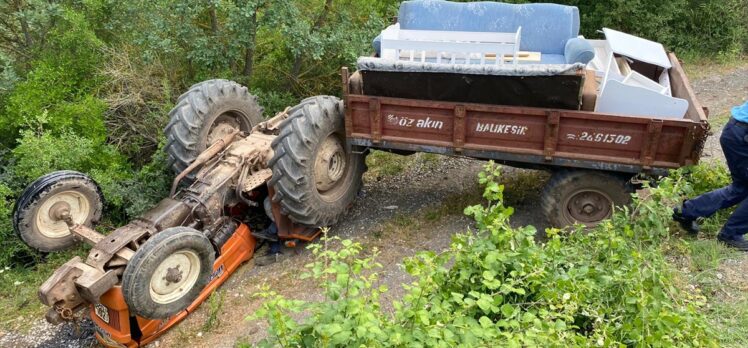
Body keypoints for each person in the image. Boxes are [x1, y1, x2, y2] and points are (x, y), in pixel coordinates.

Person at [673, 101, 748, 250]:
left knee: (741, 187)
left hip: (735, 132)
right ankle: (730, 234)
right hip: (742, 137)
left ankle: (686, 211)